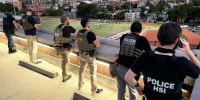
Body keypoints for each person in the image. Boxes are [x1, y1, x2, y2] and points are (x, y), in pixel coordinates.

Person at [125, 22, 200, 100]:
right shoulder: (182, 62)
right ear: (176, 41)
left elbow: (128, 77)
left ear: (159, 38)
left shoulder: (145, 56)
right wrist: (189, 52)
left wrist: (137, 86)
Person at [115, 21, 151, 100]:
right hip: (131, 72)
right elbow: (150, 54)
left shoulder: (123, 37)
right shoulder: (142, 40)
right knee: (133, 92)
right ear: (141, 30)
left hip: (119, 68)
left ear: (130, 29)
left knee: (120, 91)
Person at [77, 17, 103, 95]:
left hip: (81, 55)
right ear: (87, 24)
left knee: (81, 70)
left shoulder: (78, 32)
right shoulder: (90, 33)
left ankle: (80, 85)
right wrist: (96, 37)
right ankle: (94, 90)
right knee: (93, 73)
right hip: (89, 56)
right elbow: (98, 45)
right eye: (89, 22)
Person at [56, 15, 78, 82]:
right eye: (68, 20)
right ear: (66, 21)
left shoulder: (57, 27)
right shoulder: (68, 27)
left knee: (63, 62)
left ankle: (64, 75)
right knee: (65, 63)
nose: (69, 21)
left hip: (58, 48)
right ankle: (65, 77)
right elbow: (78, 33)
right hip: (65, 48)